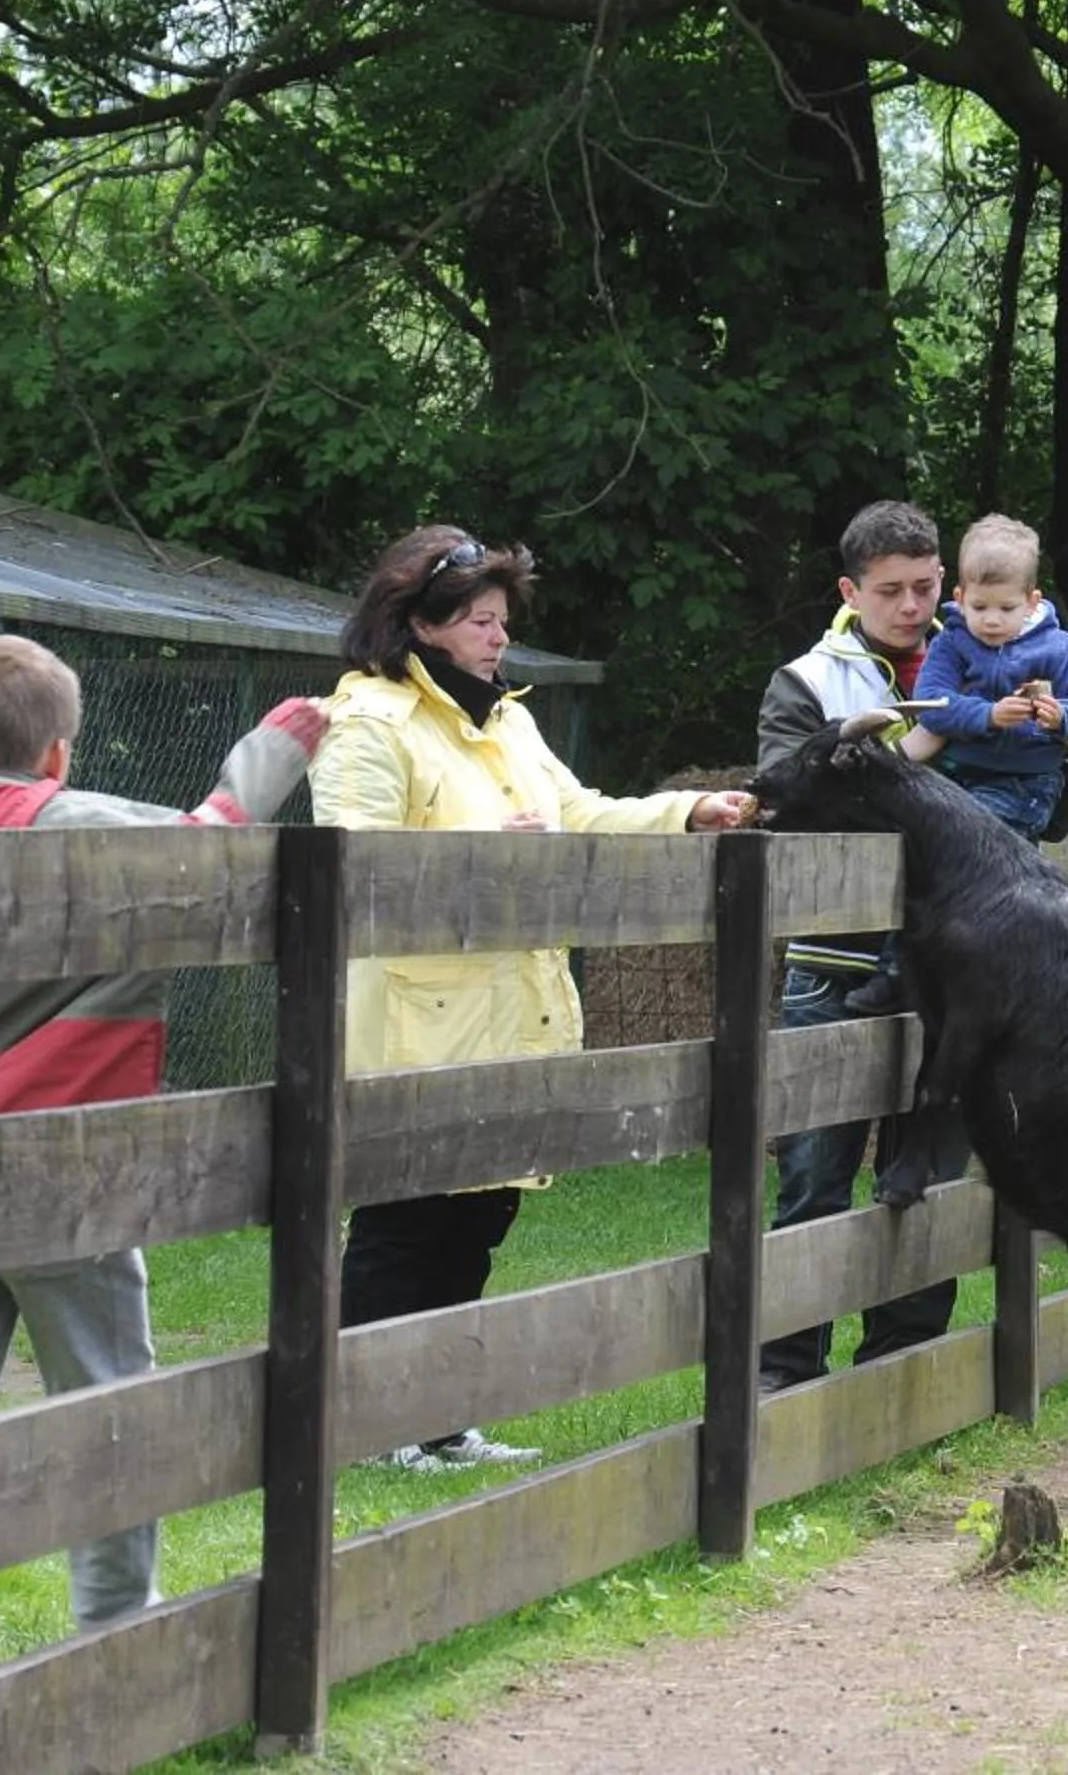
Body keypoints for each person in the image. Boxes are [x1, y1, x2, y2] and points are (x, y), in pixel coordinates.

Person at [0, 634, 329, 1721]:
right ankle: (118, 1641)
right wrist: (276, 747)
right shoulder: (76, 823)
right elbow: (206, 848)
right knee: (108, 1415)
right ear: (56, 753)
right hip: (71, 1178)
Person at [315, 526, 753, 1470]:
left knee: (479, 1221)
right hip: (416, 1023)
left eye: (502, 620)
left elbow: (579, 811)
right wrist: (493, 855)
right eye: (477, 619)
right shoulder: (366, 724)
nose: (496, 636)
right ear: (418, 624)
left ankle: (439, 1421)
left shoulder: (507, 719)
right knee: (407, 1224)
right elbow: (352, 867)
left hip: (513, 1011)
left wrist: (685, 811)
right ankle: (366, 1426)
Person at [752, 499, 963, 1394]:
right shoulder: (805, 682)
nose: (912, 605)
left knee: (932, 1181)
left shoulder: (991, 664)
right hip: (834, 964)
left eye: (925, 586)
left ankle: (900, 1376)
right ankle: (784, 1380)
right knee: (812, 1179)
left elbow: (1044, 806)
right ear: (851, 590)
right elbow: (791, 806)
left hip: (954, 970)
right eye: (891, 591)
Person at [896, 512, 1068, 843]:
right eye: (980, 607)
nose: (992, 621)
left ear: (1031, 602)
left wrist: (1063, 716)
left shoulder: (1056, 647)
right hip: (957, 775)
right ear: (959, 598)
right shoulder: (952, 643)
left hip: (1027, 782)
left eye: (1006, 608)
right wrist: (988, 715)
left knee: (975, 840)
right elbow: (930, 702)